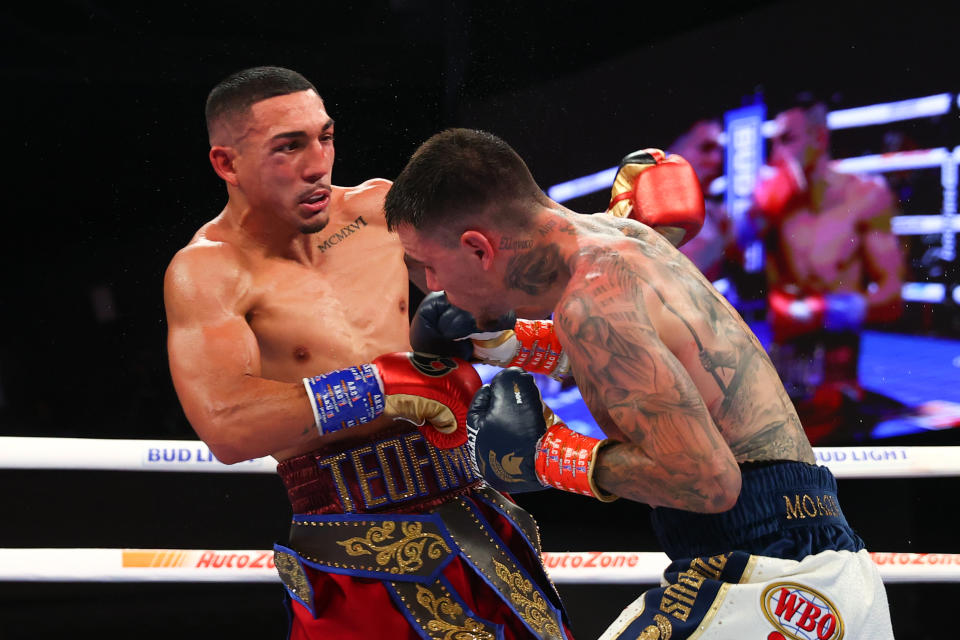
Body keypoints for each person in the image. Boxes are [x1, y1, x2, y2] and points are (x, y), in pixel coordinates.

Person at [384, 128, 894, 639]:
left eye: (428, 264)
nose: (430, 285)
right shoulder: (624, 239)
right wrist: (497, 344)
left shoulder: (592, 304)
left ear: (478, 248)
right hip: (835, 571)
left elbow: (710, 482)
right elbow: (625, 356)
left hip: (760, 577)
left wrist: (549, 456)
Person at [163, 66, 573, 640]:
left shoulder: (379, 211)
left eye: (324, 137)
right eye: (288, 147)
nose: (317, 165)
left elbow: (506, 289)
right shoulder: (208, 271)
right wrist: (385, 384)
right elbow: (227, 426)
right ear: (226, 163)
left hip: (476, 513)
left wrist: (615, 236)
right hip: (351, 542)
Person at [751, 94, 906, 443]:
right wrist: (755, 216)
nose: (777, 152)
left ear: (819, 138)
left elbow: (893, 297)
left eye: (787, 139)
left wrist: (825, 312)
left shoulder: (865, 198)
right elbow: (728, 269)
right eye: (773, 141)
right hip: (782, 389)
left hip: (839, 390)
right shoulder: (775, 202)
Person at [667, 119, 741, 285]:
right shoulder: (649, 211)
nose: (716, 159)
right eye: (705, 148)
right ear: (674, 151)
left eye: (719, 151)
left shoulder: (717, 215)